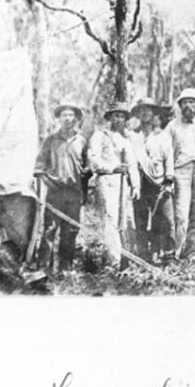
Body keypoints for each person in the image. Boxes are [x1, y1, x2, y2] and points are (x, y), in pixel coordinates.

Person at [33, 102, 88, 271]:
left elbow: (87, 168)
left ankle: (65, 269)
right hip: (55, 192)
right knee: (49, 230)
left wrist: (84, 187)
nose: (68, 119)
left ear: (76, 119)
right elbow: (39, 166)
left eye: (71, 115)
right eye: (64, 115)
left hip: (74, 193)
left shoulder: (82, 141)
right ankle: (44, 269)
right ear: (59, 118)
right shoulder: (51, 140)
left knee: (70, 231)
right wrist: (48, 182)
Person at [87, 102, 140, 267]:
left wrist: (136, 185)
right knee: (110, 220)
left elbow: (132, 164)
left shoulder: (126, 139)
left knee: (124, 221)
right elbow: (93, 158)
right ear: (109, 117)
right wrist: (111, 168)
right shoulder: (100, 136)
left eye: (122, 116)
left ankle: (127, 259)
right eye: (115, 115)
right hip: (106, 180)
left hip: (122, 183)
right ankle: (113, 262)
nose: (118, 119)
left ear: (126, 119)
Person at [129, 97, 175, 263]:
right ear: (137, 114)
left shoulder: (162, 135)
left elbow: (169, 158)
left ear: (154, 113)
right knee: (141, 219)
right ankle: (144, 253)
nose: (145, 113)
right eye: (142, 110)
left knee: (165, 219)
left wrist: (169, 180)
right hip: (140, 182)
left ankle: (167, 253)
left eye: (148, 110)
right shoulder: (133, 136)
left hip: (159, 182)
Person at [166, 88, 195, 258]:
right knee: (181, 214)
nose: (189, 106)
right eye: (185, 102)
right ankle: (176, 251)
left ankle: (191, 253)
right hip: (180, 171)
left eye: (192, 102)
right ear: (180, 105)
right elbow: (167, 152)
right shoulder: (172, 126)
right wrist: (169, 175)